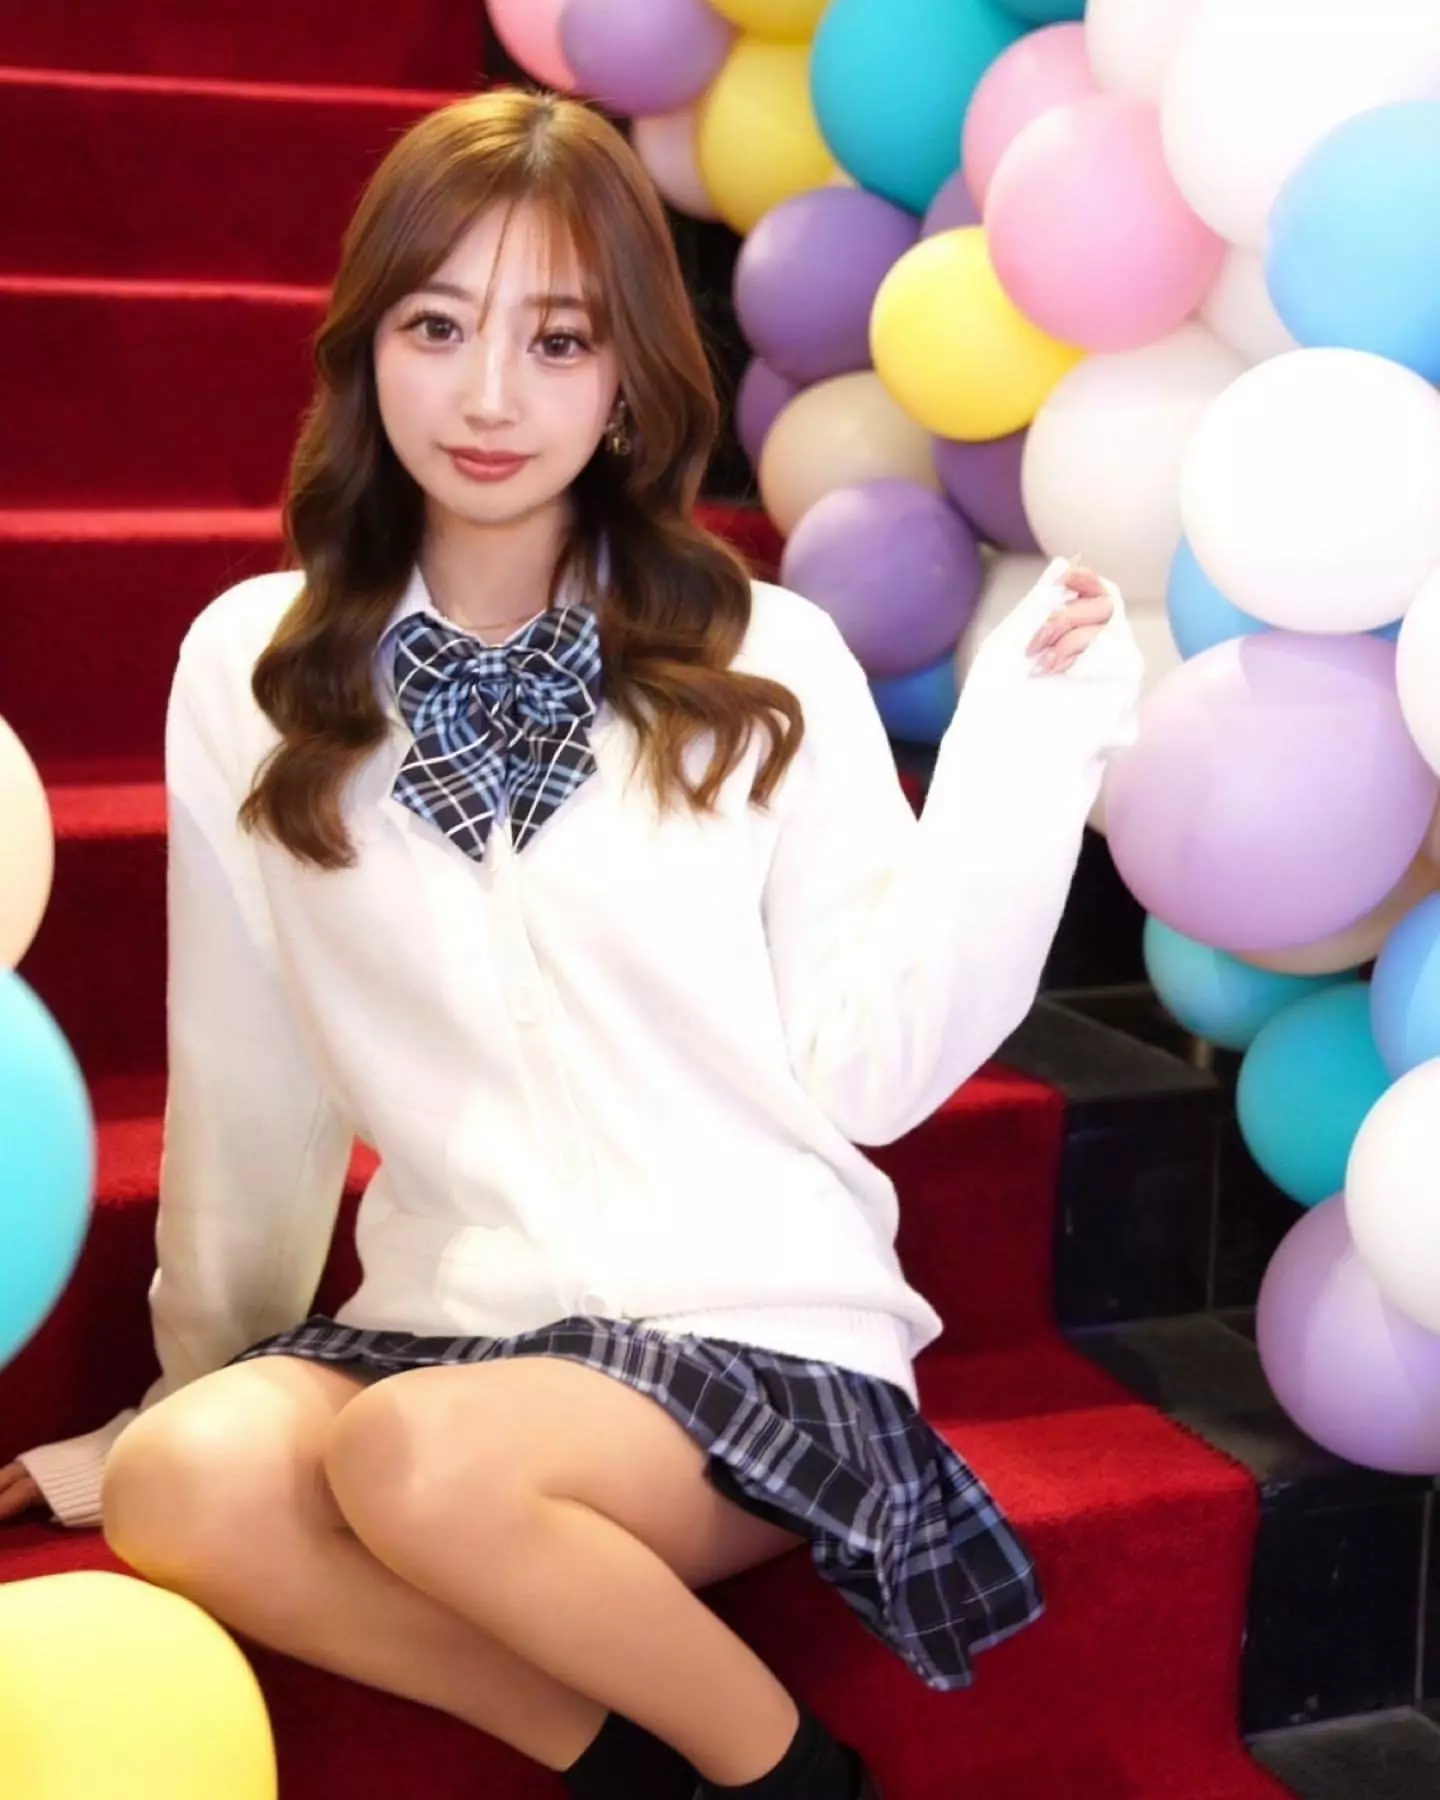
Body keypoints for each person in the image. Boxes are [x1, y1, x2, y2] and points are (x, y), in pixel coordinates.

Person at [0, 89, 1142, 1800]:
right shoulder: (254, 668)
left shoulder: (766, 655)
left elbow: (873, 1065)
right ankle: (636, 1775)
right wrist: (182, 1389)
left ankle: (794, 1780)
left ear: (626, 380)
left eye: (556, 340)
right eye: (436, 327)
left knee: (424, 1464)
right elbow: (249, 1075)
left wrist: (1026, 760)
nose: (488, 396)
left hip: (744, 1333)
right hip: (444, 1331)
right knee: (186, 1484)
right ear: (365, 345)